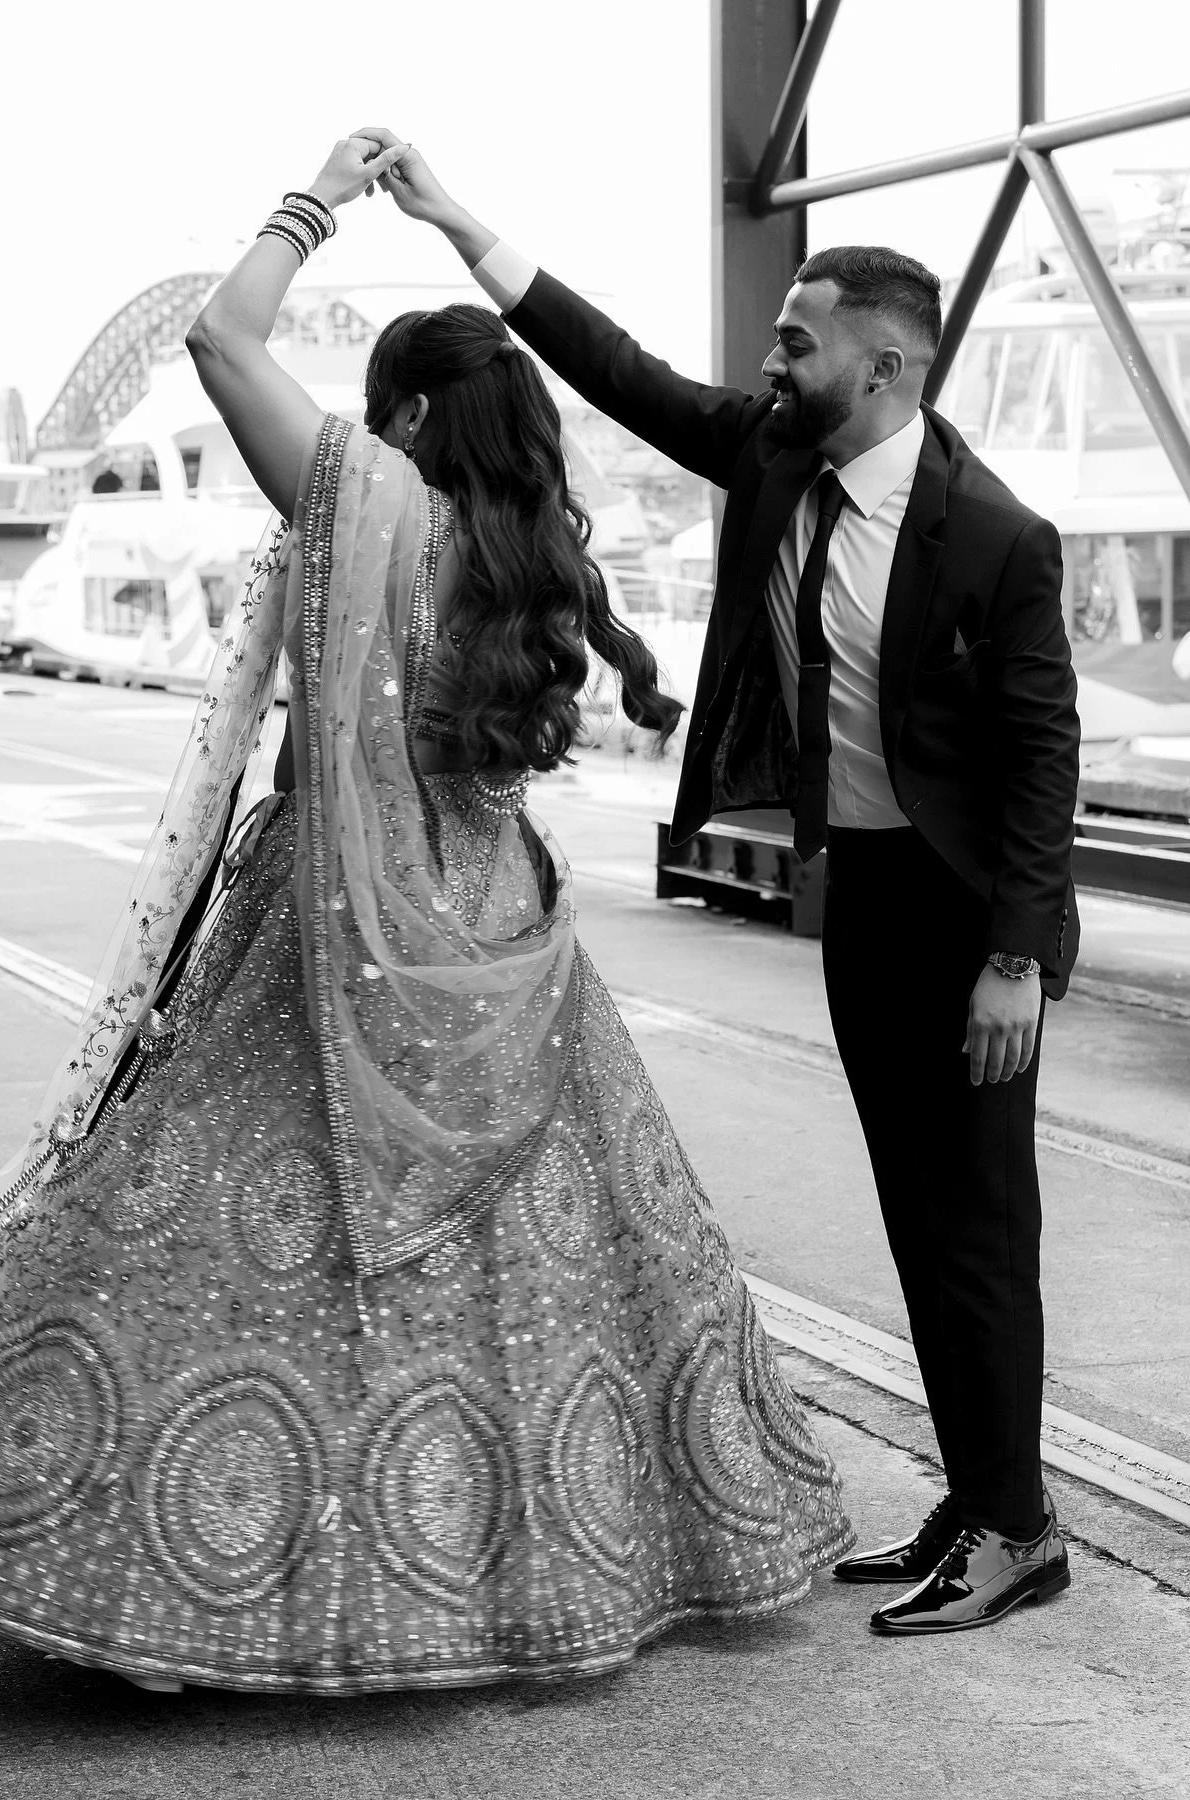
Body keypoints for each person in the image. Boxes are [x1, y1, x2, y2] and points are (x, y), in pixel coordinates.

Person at [0, 134, 850, 1695]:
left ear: (400, 418)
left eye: (369, 415)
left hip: (332, 922)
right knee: (521, 1266)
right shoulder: (529, 555)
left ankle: (172, 1580)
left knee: (210, 1235)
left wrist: (317, 199)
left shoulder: (375, 503)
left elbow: (217, 335)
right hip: (497, 925)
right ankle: (533, 1571)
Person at [366, 134, 1079, 1637]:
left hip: (967, 928)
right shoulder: (773, 452)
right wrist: (453, 220)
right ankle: (983, 1488)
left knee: (978, 1222)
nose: (769, 356)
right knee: (912, 1209)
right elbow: (616, 368)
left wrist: (1015, 959)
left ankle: (1022, 1533)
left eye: (796, 341)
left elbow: (1040, 758)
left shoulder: (999, 538)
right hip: (863, 896)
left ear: (882, 370)